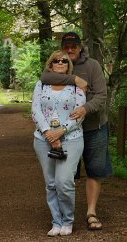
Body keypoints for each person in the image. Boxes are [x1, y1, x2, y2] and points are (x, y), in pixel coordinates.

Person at [40, 32, 112, 231]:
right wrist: (74, 79)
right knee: (66, 175)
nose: (70, 50)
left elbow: (101, 95)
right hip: (66, 133)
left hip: (92, 127)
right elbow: (44, 77)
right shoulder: (58, 63)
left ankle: (91, 212)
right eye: (66, 46)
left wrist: (85, 108)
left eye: (74, 46)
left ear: (80, 47)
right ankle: (64, 217)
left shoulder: (93, 66)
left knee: (95, 170)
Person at [32, 50, 86, 237]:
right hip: (43, 139)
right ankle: (57, 221)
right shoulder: (41, 84)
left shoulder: (76, 86)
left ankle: (68, 220)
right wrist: (48, 133)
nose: (61, 62)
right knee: (51, 183)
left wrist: (60, 132)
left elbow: (79, 114)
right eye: (57, 60)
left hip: (71, 138)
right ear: (51, 64)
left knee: (64, 182)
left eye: (64, 60)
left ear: (68, 65)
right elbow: (35, 109)